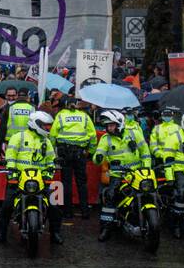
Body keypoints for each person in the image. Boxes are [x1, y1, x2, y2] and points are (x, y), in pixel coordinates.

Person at [0, 109, 61, 244]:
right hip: (18, 178)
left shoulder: (46, 141)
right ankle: (1, 233)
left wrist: (50, 170)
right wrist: (11, 170)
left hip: (41, 179)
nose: (47, 129)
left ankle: (55, 233)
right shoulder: (19, 137)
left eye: (48, 126)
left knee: (56, 204)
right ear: (35, 124)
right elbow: (10, 155)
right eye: (44, 126)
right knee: (7, 205)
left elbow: (51, 159)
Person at [92, 110, 151, 240]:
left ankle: (141, 219)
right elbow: (97, 158)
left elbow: (145, 152)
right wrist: (99, 157)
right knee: (110, 196)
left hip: (136, 172)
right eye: (107, 125)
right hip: (117, 173)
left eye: (111, 125)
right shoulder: (105, 138)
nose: (109, 128)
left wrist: (146, 168)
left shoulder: (134, 133)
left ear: (119, 124)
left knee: (146, 191)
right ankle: (106, 228)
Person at [51, 98, 95, 217]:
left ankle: (67, 212)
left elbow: (53, 135)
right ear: (77, 105)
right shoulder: (84, 116)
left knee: (66, 182)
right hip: (80, 153)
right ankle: (85, 211)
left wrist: (53, 153)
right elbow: (93, 135)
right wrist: (90, 151)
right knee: (82, 183)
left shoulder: (61, 115)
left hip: (64, 153)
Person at [0, 86, 34, 155]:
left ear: (17, 95)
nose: (11, 98)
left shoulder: (10, 108)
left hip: (12, 142)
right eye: (9, 95)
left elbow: (2, 129)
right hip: (26, 142)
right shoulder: (33, 108)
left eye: (13, 95)